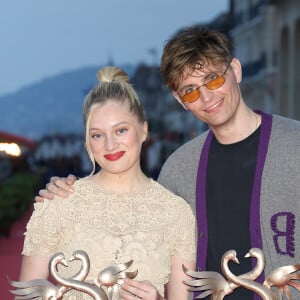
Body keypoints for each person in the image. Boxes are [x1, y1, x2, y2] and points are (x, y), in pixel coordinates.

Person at [36, 27, 300, 299]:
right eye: (190, 91)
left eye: (212, 79)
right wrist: (66, 192)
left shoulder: (295, 146)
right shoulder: (179, 169)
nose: (206, 97)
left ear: (235, 69)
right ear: (180, 101)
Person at [17, 66, 196, 300]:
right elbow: (26, 296)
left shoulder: (176, 213)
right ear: (87, 140)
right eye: (97, 135)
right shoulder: (59, 202)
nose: (110, 146)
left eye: (121, 130)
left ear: (143, 130)